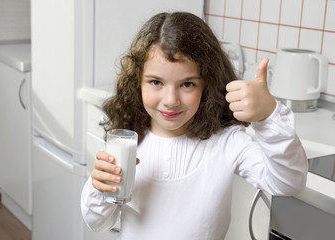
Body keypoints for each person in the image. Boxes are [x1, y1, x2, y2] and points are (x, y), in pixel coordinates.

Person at [81, 12, 308, 240]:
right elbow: (98, 222)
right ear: (136, 82)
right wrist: (99, 187)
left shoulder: (227, 142)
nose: (170, 99)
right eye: (156, 82)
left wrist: (269, 115)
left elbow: (287, 183)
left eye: (187, 84)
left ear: (207, 86)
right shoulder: (128, 142)